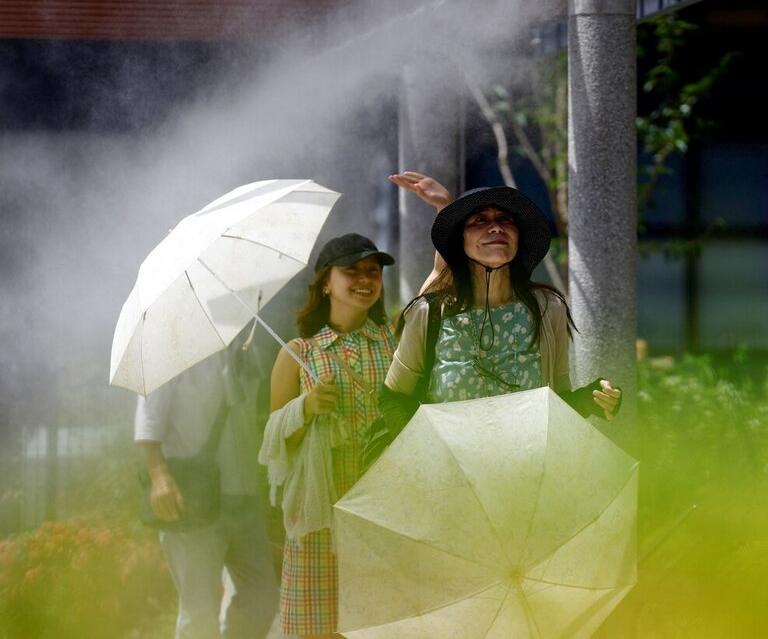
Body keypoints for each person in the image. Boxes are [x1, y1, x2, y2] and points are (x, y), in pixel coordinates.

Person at [381, 173, 621, 433]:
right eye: (480, 220)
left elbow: (557, 403)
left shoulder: (548, 308)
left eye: (505, 219)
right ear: (460, 241)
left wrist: (594, 398)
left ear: (518, 238)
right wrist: (423, 454)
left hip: (525, 467)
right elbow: (394, 398)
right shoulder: (429, 312)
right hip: (447, 467)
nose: (496, 227)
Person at [258, 233, 396, 639]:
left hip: (380, 508)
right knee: (316, 629)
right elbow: (274, 444)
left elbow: (439, 284)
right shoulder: (297, 353)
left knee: (380, 624)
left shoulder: (394, 339)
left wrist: (443, 209)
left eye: (373, 271)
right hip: (319, 513)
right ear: (325, 283)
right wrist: (304, 409)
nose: (365, 279)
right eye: (350, 271)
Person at [135, 343, 279, 639]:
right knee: (199, 613)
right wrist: (159, 476)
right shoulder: (166, 350)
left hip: (245, 497)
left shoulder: (248, 348)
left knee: (263, 599)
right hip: (193, 501)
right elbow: (149, 421)